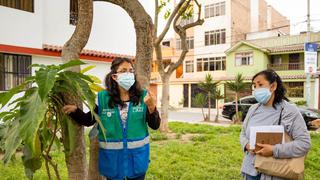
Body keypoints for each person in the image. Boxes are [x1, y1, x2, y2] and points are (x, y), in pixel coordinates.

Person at [63, 57, 161, 180]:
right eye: (124, 71)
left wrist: (152, 106)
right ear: (114, 77)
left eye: (131, 71)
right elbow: (89, 120)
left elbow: (155, 125)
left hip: (137, 159)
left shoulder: (143, 97)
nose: (128, 74)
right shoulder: (103, 98)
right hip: (113, 161)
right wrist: (75, 111)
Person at [240, 69, 311, 180]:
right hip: (250, 171)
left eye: (260, 85)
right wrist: (247, 145)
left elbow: (304, 144)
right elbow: (243, 133)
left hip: (274, 172)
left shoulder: (289, 111)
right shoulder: (253, 109)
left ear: (273, 86)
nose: (256, 89)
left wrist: (274, 150)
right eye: (254, 86)